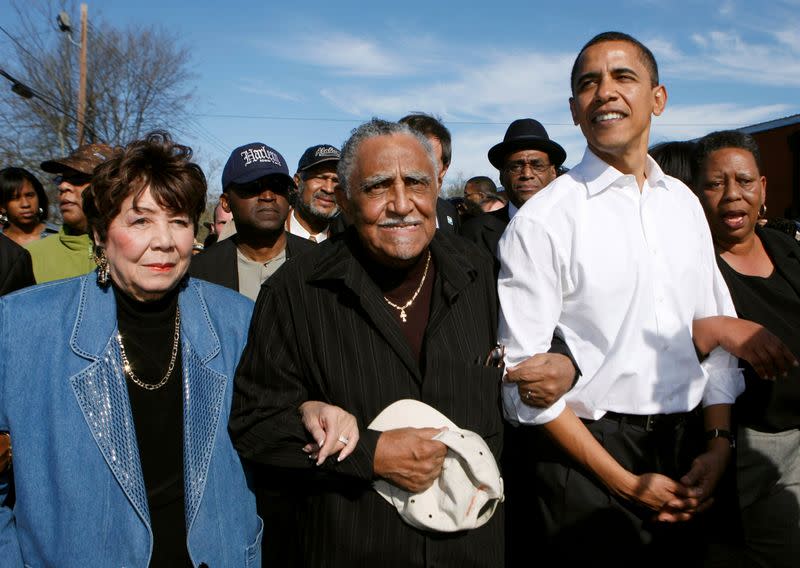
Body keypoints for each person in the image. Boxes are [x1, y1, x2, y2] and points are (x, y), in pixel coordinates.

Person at [496, 32, 787, 566]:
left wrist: (718, 444)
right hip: (588, 464)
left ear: (658, 98)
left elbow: (715, 329)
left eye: (623, 77)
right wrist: (625, 483)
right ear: (574, 111)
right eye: (589, 83)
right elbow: (522, 385)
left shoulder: (682, 203)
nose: (605, 91)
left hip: (688, 451)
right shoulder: (543, 221)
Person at [230, 118, 505, 567]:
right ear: (344, 199)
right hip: (352, 546)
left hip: (472, 548)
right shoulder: (296, 292)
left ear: (437, 187)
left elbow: (532, 358)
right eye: (378, 187)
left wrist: (561, 363)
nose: (401, 204)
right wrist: (368, 455)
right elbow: (255, 424)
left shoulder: (480, 271)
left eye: (416, 182)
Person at [692, 130, 800, 568]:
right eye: (716, 184)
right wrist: (721, 328)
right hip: (756, 446)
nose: (732, 195)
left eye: (744, 181)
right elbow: (668, 340)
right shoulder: (693, 264)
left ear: (764, 189)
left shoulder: (786, 248)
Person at [190, 142, 315, 300]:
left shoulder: (318, 262)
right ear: (226, 202)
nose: (268, 196)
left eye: (278, 186)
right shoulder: (199, 272)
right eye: (253, 186)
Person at [462, 118, 566, 258]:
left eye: (537, 165)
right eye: (516, 166)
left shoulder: (575, 227)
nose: (527, 174)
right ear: (501, 176)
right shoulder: (474, 233)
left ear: (553, 173)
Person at [25, 143, 113, 282]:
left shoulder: (138, 254)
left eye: (78, 177)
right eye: (61, 179)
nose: (63, 186)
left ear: (112, 188)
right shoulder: (29, 257)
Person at [399, 112, 461, 233]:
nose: (415, 169)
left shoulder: (449, 212)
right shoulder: (377, 210)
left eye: (427, 162)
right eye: (406, 157)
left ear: (443, 170)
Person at [287, 144, 341, 242]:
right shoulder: (270, 233)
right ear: (297, 181)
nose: (329, 189)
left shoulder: (350, 241)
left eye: (336, 181)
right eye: (320, 178)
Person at [0, 167, 57, 246]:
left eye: (30, 195)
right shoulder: (2, 243)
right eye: (15, 198)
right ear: (2, 206)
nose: (25, 204)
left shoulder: (61, 236)